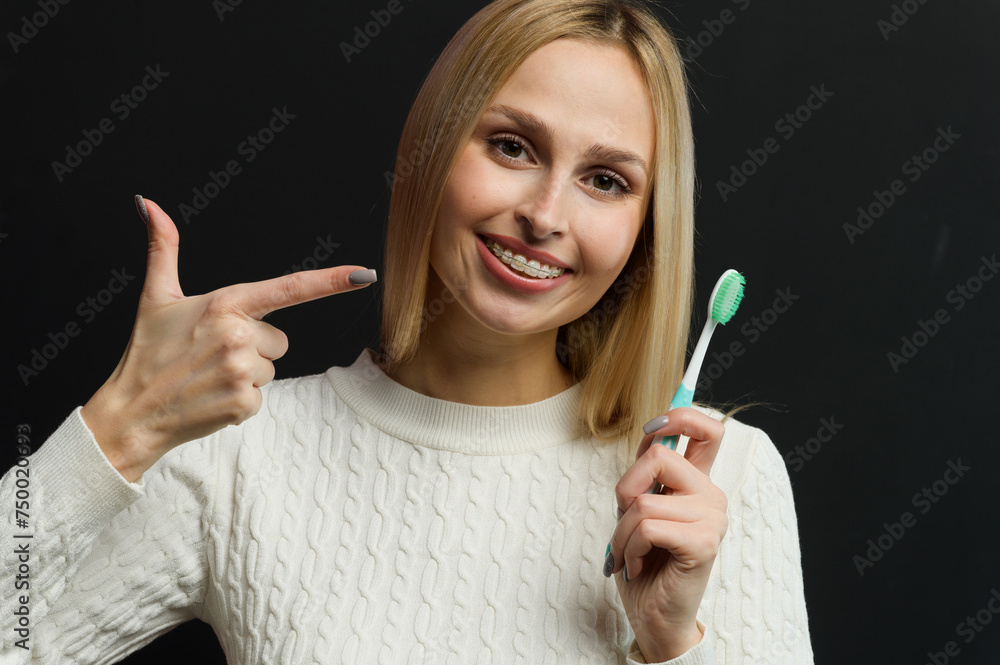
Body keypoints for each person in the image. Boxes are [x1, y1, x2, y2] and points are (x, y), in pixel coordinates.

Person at [0, 0, 813, 662]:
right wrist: (114, 431)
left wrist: (674, 645)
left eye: (605, 179)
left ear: (646, 225)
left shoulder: (721, 483)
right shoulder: (236, 455)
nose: (544, 214)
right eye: (511, 145)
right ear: (428, 151)